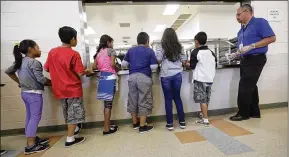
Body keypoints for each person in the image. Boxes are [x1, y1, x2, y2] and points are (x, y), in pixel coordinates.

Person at [44, 26, 91, 147]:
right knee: (74, 114)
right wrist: (88, 71)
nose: (76, 40)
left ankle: (73, 132)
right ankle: (70, 139)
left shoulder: (52, 52)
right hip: (72, 89)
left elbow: (47, 68)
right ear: (72, 39)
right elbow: (80, 72)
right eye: (76, 38)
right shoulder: (74, 54)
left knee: (67, 113)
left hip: (59, 89)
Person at [228, 4, 276, 121]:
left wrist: (253, 46)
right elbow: (242, 48)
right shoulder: (241, 31)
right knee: (251, 86)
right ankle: (254, 112)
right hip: (246, 60)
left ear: (247, 12)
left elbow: (272, 38)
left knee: (244, 86)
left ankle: (243, 113)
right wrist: (236, 54)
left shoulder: (260, 22)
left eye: (239, 14)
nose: (237, 17)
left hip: (256, 58)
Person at [5, 40, 51, 154]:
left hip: (25, 93)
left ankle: (31, 138)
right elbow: (40, 79)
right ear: (31, 49)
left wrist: (19, 82)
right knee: (35, 117)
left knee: (30, 116)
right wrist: (53, 83)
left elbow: (8, 71)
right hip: (34, 94)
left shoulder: (20, 61)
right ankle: (30, 145)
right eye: (38, 47)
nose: (40, 50)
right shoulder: (34, 63)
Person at [121, 32, 158, 134]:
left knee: (133, 100)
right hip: (144, 77)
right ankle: (142, 126)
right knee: (144, 100)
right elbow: (154, 67)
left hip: (132, 77)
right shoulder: (149, 51)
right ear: (147, 41)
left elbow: (123, 64)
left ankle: (135, 124)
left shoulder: (131, 50)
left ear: (138, 41)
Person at [155, 28, 187, 131]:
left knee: (168, 99)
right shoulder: (179, 47)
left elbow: (158, 60)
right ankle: (182, 122)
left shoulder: (161, 46)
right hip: (177, 74)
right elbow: (184, 61)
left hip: (166, 76)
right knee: (177, 98)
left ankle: (170, 124)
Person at [189, 32, 217, 126]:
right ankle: (203, 116)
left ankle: (205, 120)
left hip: (200, 79)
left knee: (202, 100)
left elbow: (192, 66)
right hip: (210, 79)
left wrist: (186, 64)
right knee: (206, 99)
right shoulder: (211, 52)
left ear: (196, 42)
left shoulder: (195, 52)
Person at [93, 34, 119, 135]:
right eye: (111, 42)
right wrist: (117, 68)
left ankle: (107, 126)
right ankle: (106, 129)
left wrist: (102, 67)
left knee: (106, 104)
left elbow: (94, 66)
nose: (112, 44)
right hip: (110, 77)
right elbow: (112, 64)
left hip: (102, 78)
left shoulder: (98, 53)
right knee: (109, 105)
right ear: (108, 42)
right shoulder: (111, 50)